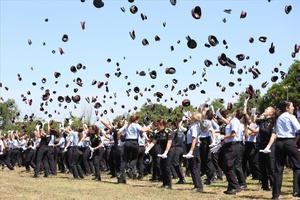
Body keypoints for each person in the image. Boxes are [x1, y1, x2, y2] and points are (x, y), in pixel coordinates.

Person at [269, 101, 300, 199]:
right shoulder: (291, 116)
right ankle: (297, 191)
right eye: (292, 106)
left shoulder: (279, 117)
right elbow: (299, 129)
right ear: (287, 108)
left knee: (278, 169)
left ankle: (275, 195)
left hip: (279, 143)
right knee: (298, 166)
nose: (293, 108)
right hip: (289, 142)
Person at [145, 119, 173, 189]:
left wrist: (166, 152)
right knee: (162, 167)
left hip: (168, 151)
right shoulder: (158, 133)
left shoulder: (168, 131)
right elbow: (154, 142)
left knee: (166, 167)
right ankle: (164, 183)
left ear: (162, 125)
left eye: (158, 125)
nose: (156, 126)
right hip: (161, 151)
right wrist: (148, 149)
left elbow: (169, 142)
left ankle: (169, 184)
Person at [256, 107, 276, 191]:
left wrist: (269, 146)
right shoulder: (262, 121)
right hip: (261, 145)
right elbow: (254, 120)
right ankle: (264, 185)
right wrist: (259, 115)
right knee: (262, 166)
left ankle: (273, 185)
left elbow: (273, 134)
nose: (265, 110)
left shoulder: (273, 121)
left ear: (271, 113)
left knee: (271, 166)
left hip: (270, 146)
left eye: (267, 109)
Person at [183, 112, 204, 193]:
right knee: (192, 167)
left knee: (195, 167)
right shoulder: (194, 125)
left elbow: (194, 139)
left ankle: (199, 187)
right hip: (191, 146)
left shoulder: (195, 126)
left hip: (193, 147)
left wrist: (191, 151)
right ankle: (196, 185)